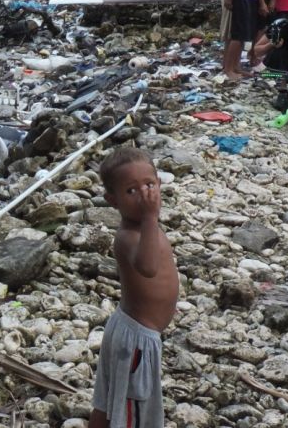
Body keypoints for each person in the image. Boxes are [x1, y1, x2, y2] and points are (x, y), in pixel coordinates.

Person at [89, 147, 179, 428]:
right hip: (136, 342)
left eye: (149, 185)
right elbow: (149, 267)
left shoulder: (145, 228)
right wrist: (151, 217)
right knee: (130, 414)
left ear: (159, 184)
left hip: (130, 332)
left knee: (107, 402)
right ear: (112, 200)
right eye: (131, 191)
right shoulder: (128, 236)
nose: (144, 195)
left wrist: (151, 220)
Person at [223, 0, 260, 79]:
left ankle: (235, 66)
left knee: (244, 35)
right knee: (238, 35)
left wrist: (261, 1)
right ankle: (228, 69)